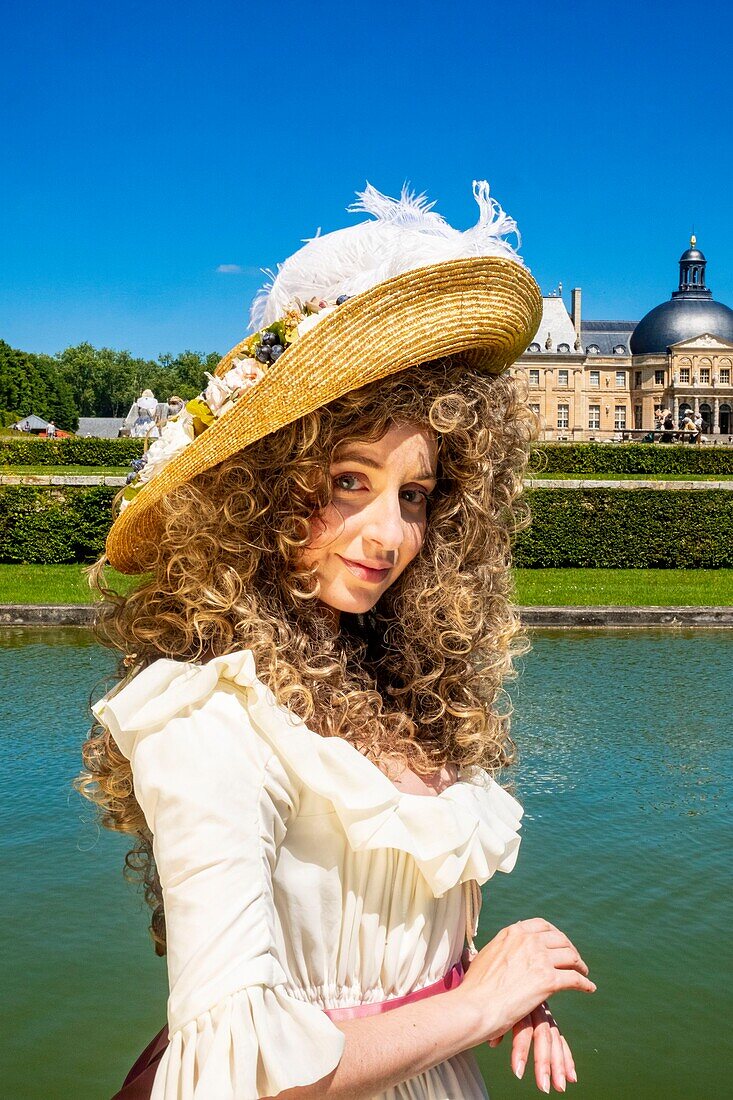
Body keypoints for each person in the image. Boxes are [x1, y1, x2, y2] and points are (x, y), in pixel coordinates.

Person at [77, 181, 595, 1100]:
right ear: (259, 489)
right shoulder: (207, 713)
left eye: (414, 495)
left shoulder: (389, 678)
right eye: (348, 480)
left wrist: (479, 976)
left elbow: (381, 941)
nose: (388, 535)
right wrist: (477, 1006)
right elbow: (239, 1080)